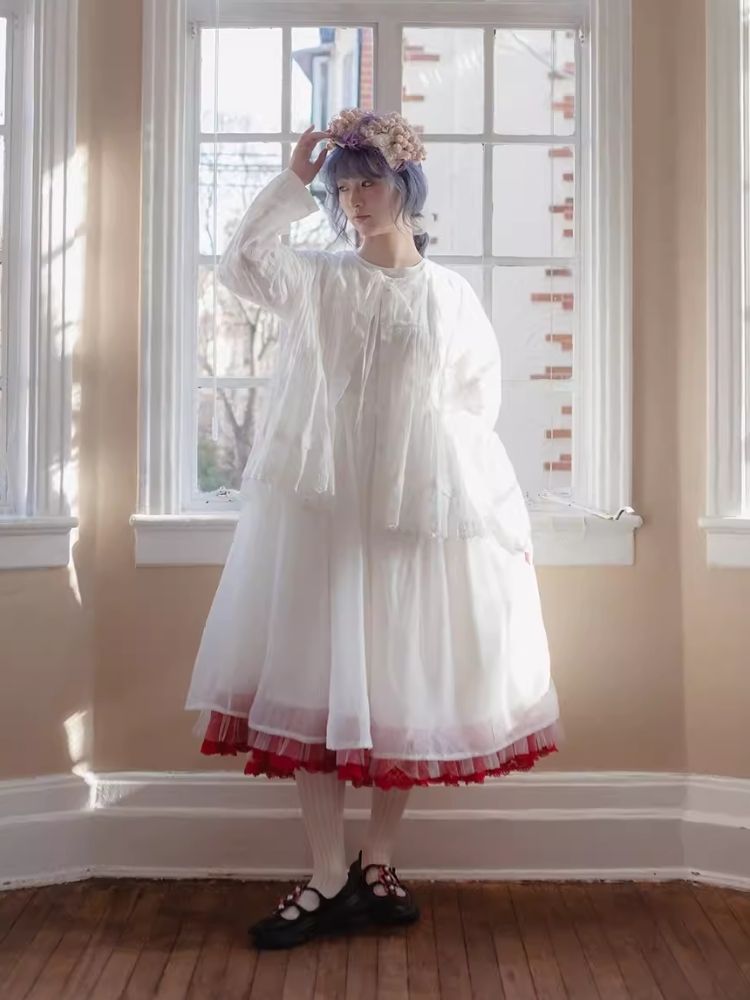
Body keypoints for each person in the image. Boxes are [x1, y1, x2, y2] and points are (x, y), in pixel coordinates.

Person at [185, 108, 564, 950]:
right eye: (343, 186)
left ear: (405, 186)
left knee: (401, 682)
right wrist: (294, 179)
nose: (354, 199)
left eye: (369, 183)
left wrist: (485, 509)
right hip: (322, 512)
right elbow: (240, 263)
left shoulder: (451, 296)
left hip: (409, 515)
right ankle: (327, 873)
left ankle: (379, 862)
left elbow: (474, 410)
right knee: (315, 678)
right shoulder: (318, 281)